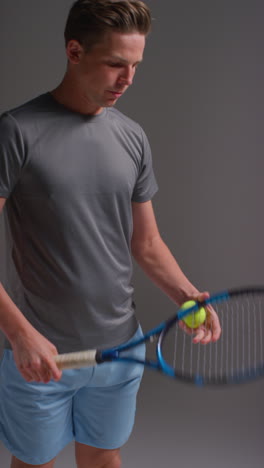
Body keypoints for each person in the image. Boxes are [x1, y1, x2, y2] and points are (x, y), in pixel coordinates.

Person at [0, 1, 221, 467]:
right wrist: (19, 334)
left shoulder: (132, 137)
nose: (128, 80)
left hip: (122, 348)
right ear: (74, 51)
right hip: (42, 356)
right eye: (115, 64)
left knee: (103, 458)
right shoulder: (16, 132)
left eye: (136, 65)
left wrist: (187, 295)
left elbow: (146, 243)